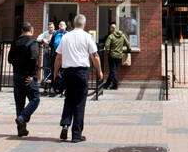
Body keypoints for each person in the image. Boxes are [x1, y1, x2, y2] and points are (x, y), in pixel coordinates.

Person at [52, 13, 102, 143]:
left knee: (69, 98)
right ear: (84, 24)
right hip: (81, 72)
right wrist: (99, 71)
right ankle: (76, 134)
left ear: (74, 24)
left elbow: (58, 57)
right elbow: (95, 56)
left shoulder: (66, 37)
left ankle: (65, 124)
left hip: (67, 71)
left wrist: (55, 73)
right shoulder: (87, 37)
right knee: (79, 102)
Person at [7, 22, 41, 136]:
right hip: (28, 76)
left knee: (19, 103)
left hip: (17, 75)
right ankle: (22, 118)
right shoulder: (33, 42)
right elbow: (34, 57)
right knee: (35, 98)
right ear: (31, 30)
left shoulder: (15, 42)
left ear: (22, 30)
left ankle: (21, 129)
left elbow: (10, 59)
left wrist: (17, 65)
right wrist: (31, 74)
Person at [102, 22, 131, 90]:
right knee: (113, 70)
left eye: (110, 28)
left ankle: (115, 85)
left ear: (112, 29)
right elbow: (128, 44)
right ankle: (107, 84)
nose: (110, 29)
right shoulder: (122, 35)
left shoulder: (111, 36)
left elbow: (106, 46)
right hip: (119, 56)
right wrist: (128, 50)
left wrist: (107, 52)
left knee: (113, 71)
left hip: (112, 56)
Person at [37, 22, 57, 94]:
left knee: (54, 70)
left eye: (51, 27)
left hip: (54, 54)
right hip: (46, 53)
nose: (50, 29)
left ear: (54, 27)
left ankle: (53, 88)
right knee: (46, 70)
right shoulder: (45, 33)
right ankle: (45, 88)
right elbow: (38, 38)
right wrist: (43, 40)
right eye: (49, 27)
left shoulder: (56, 33)